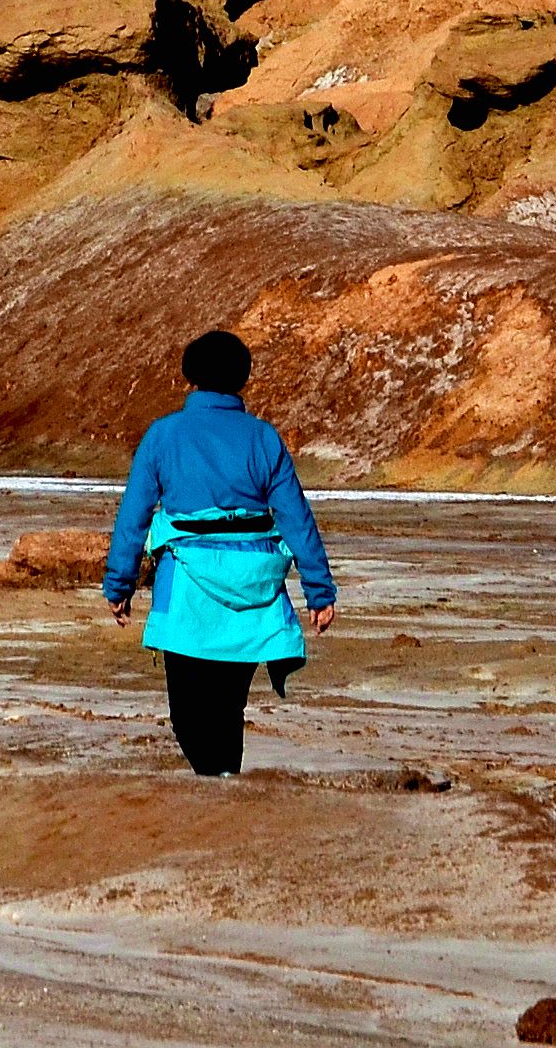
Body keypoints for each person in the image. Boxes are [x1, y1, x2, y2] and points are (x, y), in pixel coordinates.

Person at [100, 328, 339, 776]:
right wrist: (319, 591)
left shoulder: (162, 436)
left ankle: (214, 794)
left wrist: (119, 584)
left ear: (190, 375)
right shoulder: (264, 438)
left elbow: (133, 515)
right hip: (255, 591)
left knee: (187, 715)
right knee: (229, 710)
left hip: (186, 591)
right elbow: (295, 517)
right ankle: (226, 794)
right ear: (242, 378)